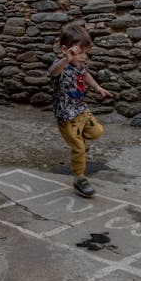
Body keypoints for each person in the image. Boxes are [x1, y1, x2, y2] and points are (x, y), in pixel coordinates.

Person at [48, 23, 113, 198]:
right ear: (65, 49)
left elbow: (85, 74)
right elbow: (53, 73)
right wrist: (66, 59)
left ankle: (81, 142)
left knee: (97, 132)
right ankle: (79, 178)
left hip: (81, 109)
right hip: (66, 115)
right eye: (80, 53)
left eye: (86, 53)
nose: (84, 57)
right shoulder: (60, 65)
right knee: (78, 149)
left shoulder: (79, 64)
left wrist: (98, 87)